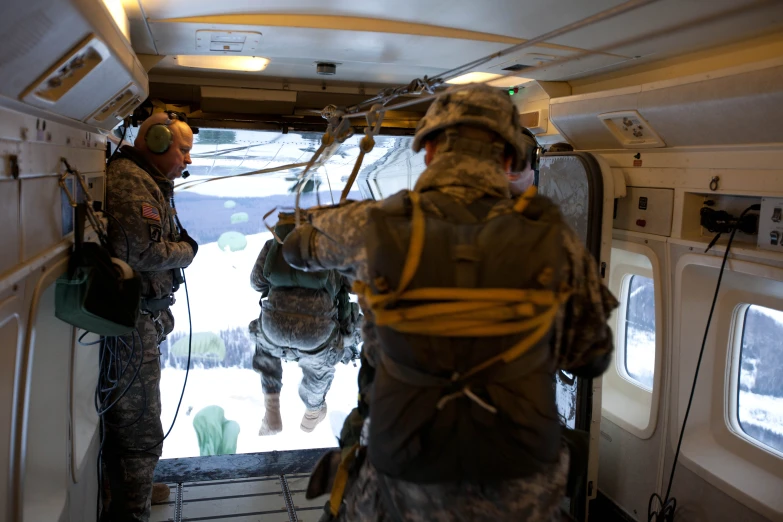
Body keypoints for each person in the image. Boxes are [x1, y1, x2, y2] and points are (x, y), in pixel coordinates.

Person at [281, 83, 618, 521]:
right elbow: (591, 357)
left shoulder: (372, 226)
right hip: (520, 486)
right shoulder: (558, 242)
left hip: (407, 480)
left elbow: (295, 249)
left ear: (430, 150)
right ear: (509, 159)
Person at [103, 111, 198, 522]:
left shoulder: (149, 181)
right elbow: (138, 252)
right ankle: (132, 511)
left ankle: (129, 490)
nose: (187, 160)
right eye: (183, 149)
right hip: (132, 324)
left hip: (142, 320)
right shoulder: (130, 180)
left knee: (131, 421)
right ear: (156, 142)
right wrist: (188, 252)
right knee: (140, 427)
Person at [249, 211, 362, 435]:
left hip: (275, 323)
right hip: (318, 330)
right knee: (319, 368)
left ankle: (271, 407)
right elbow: (354, 286)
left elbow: (256, 282)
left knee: (265, 343)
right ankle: (312, 413)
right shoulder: (334, 248)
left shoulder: (276, 243)